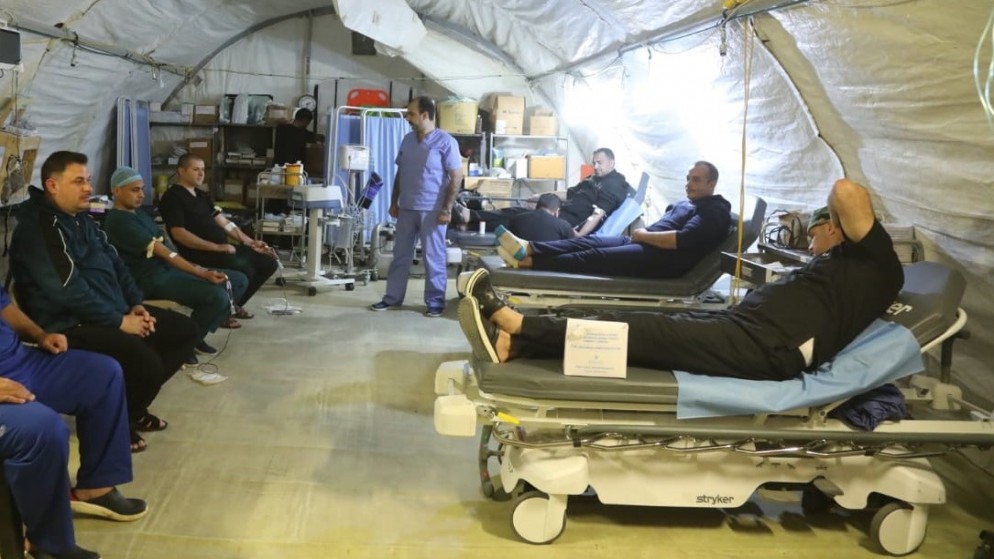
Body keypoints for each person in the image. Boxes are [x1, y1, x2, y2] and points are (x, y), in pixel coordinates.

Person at [458, 178, 903, 381]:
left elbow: (846, 191)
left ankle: (518, 323)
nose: (812, 237)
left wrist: (838, 225)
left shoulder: (879, 266)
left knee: (646, 330)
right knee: (621, 316)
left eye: (822, 228)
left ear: (844, 230)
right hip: (742, 326)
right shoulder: (836, 264)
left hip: (768, 349)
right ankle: (519, 341)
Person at [10, 151, 200, 452]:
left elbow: (116, 264)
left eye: (88, 180)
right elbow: (67, 290)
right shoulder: (40, 228)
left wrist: (135, 303)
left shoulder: (82, 219)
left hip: (108, 310)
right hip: (66, 322)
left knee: (184, 332)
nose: (88, 188)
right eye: (78, 181)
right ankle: (114, 421)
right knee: (145, 362)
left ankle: (129, 409)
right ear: (52, 185)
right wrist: (119, 322)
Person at [1, 286, 147, 559]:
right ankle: (49, 543)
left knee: (102, 374)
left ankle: (96, 487)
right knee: (42, 429)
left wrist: (39, 334)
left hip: (17, 362)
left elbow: (3, 305)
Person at [493, 161, 730, 279]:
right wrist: (642, 236)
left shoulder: (714, 211)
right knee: (589, 242)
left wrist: (644, 235)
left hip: (662, 259)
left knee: (594, 256)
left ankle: (528, 263)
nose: (688, 184)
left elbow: (682, 240)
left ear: (712, 183)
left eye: (696, 180)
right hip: (644, 243)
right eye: (688, 178)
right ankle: (529, 248)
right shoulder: (686, 203)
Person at [103, 166, 250, 355]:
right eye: (135, 190)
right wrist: (201, 273)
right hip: (149, 278)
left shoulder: (138, 213)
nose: (141, 195)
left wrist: (194, 266)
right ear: (117, 191)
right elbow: (165, 253)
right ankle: (184, 344)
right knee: (217, 297)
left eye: (142, 189)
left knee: (238, 281)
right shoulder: (119, 221)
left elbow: (167, 245)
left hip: (167, 269)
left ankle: (194, 337)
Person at [369, 96, 464, 317]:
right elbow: (400, 172)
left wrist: (446, 209)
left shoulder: (446, 142)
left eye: (411, 114)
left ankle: (435, 301)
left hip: (433, 210)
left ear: (425, 115)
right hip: (406, 208)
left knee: (433, 257)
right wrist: (394, 201)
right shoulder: (407, 140)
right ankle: (392, 298)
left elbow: (456, 176)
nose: (407, 118)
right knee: (400, 256)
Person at [157, 154, 278, 319]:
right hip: (198, 252)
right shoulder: (172, 197)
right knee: (245, 268)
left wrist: (250, 242)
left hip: (222, 248)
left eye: (203, 169)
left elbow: (224, 222)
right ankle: (222, 312)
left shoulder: (201, 195)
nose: (201, 174)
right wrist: (216, 247)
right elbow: (179, 234)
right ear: (181, 171)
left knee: (268, 261)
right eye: (195, 169)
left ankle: (231, 307)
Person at [454, 147, 634, 235]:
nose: (595, 166)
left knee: (521, 221)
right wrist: (539, 196)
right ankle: (470, 219)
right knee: (517, 211)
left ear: (611, 162)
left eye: (599, 163)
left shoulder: (615, 185)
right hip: (559, 213)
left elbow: (597, 215)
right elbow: (569, 193)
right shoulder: (593, 178)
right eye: (594, 162)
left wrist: (578, 235)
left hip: (568, 223)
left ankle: (470, 220)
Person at [505, 192, 577, 241]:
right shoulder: (564, 226)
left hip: (519, 258)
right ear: (557, 211)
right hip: (549, 259)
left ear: (537, 206)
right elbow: (571, 248)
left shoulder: (516, 219)